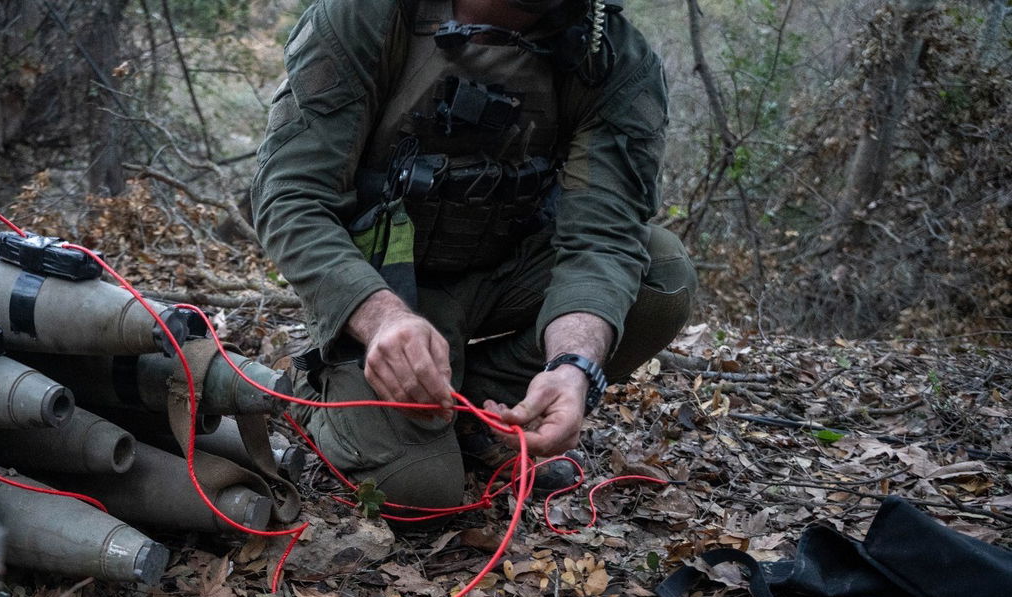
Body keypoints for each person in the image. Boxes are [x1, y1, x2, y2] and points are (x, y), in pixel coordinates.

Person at [251, 0, 695, 510]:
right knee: (418, 491)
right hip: (384, 281)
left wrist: (573, 367)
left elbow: (603, 239)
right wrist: (380, 318)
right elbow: (293, 197)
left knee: (661, 275)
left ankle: (481, 404)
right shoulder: (370, 14)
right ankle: (312, 391)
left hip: (510, 272)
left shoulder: (609, 54)